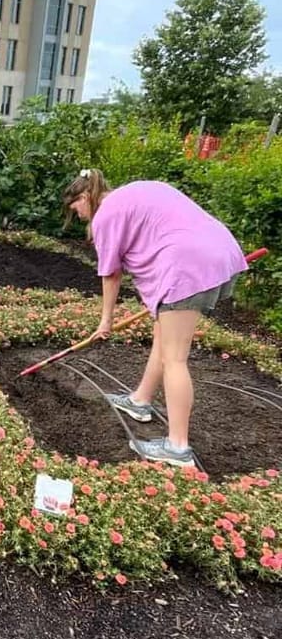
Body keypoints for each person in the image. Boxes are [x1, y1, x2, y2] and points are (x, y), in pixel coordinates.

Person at [63, 169, 248, 467]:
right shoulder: (135, 190)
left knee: (175, 358)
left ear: (85, 196)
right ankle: (140, 401)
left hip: (186, 266)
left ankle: (177, 447)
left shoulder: (105, 215)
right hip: (217, 253)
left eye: (76, 208)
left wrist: (106, 320)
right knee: (163, 338)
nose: (79, 215)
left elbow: (111, 274)